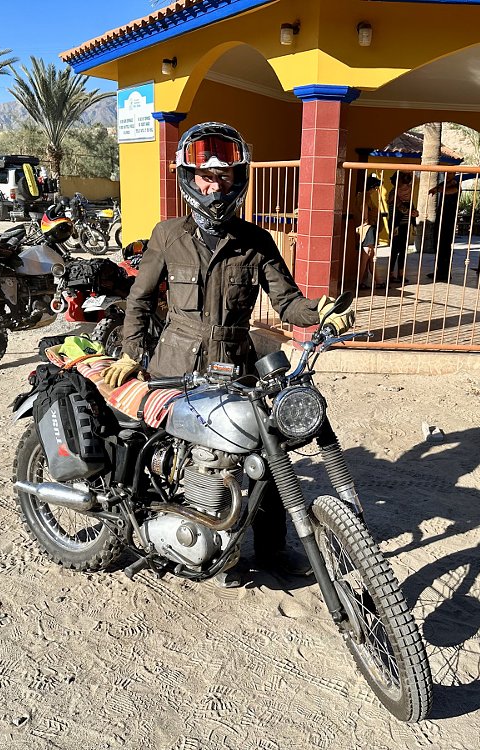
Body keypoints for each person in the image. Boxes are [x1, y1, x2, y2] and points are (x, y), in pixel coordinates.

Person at [101, 121, 355, 587]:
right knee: (140, 445)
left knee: (265, 455)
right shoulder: (167, 235)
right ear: (189, 178)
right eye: (205, 176)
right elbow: (138, 299)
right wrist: (133, 353)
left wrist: (317, 311)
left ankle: (273, 550)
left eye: (222, 177)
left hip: (234, 364)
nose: (213, 186)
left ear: (237, 180)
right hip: (172, 363)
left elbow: (287, 301)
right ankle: (126, 528)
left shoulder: (256, 241)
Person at [427, 174, 461, 281]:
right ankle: (439, 270)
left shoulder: (456, 185)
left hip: (449, 219)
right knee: (438, 244)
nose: (447, 176)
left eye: (449, 173)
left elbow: (448, 191)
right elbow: (436, 189)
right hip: (440, 218)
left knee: (445, 246)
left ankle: (445, 273)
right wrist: (436, 189)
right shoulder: (443, 184)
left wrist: (439, 189)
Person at [387, 171, 417, 284]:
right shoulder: (393, 193)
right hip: (396, 226)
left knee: (403, 250)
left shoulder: (407, 195)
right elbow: (399, 208)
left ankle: (400, 273)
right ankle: (390, 274)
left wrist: (414, 212)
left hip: (405, 225)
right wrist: (411, 212)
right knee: (395, 250)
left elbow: (411, 208)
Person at [357, 174, 385, 289]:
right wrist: (366, 221)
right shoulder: (365, 196)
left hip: (369, 228)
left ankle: (378, 282)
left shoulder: (362, 195)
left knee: (370, 256)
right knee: (367, 255)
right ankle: (359, 282)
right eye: (375, 188)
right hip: (368, 228)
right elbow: (364, 208)